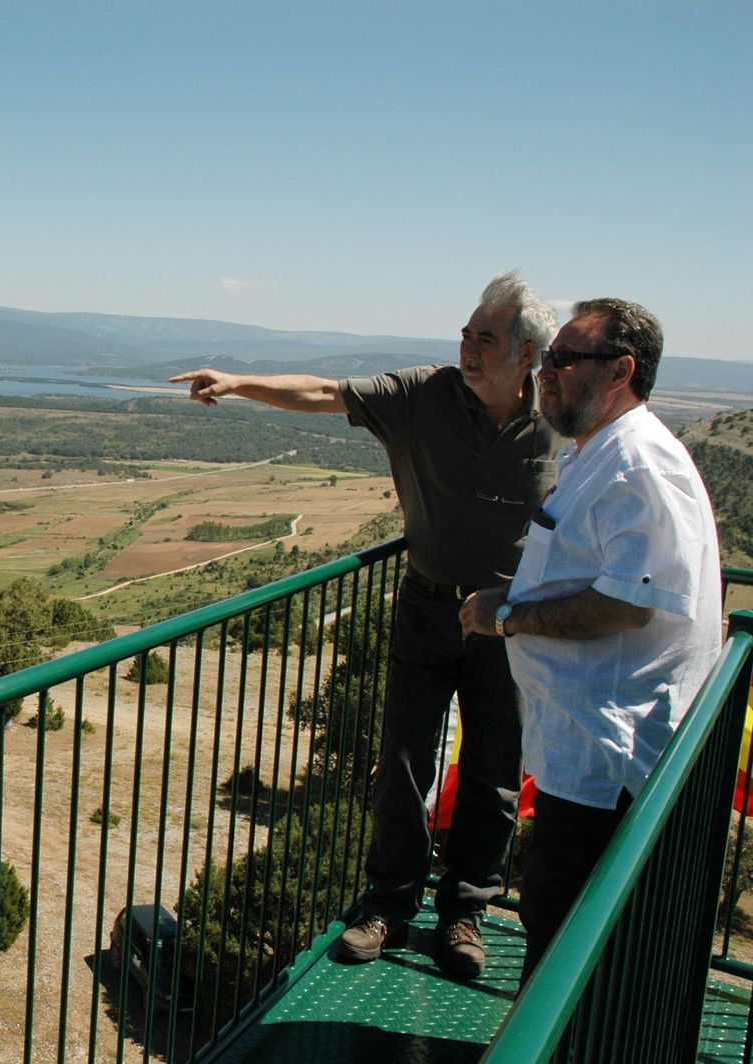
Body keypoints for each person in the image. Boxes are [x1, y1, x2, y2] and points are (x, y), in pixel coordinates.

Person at [171, 270, 560, 976]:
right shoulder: (425, 394)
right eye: (467, 334)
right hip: (428, 604)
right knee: (404, 765)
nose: (468, 348)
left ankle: (465, 915)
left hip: (511, 623)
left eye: (486, 338)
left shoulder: (560, 420)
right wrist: (235, 381)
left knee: (494, 772)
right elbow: (325, 393)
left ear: (528, 354)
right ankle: (388, 907)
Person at [458, 298, 721, 977]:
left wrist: (508, 619)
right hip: (585, 746)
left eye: (564, 359)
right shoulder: (598, 452)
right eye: (547, 357)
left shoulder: (638, 465)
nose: (544, 371)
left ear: (621, 371)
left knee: (567, 936)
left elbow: (628, 604)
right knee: (560, 922)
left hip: (610, 757)